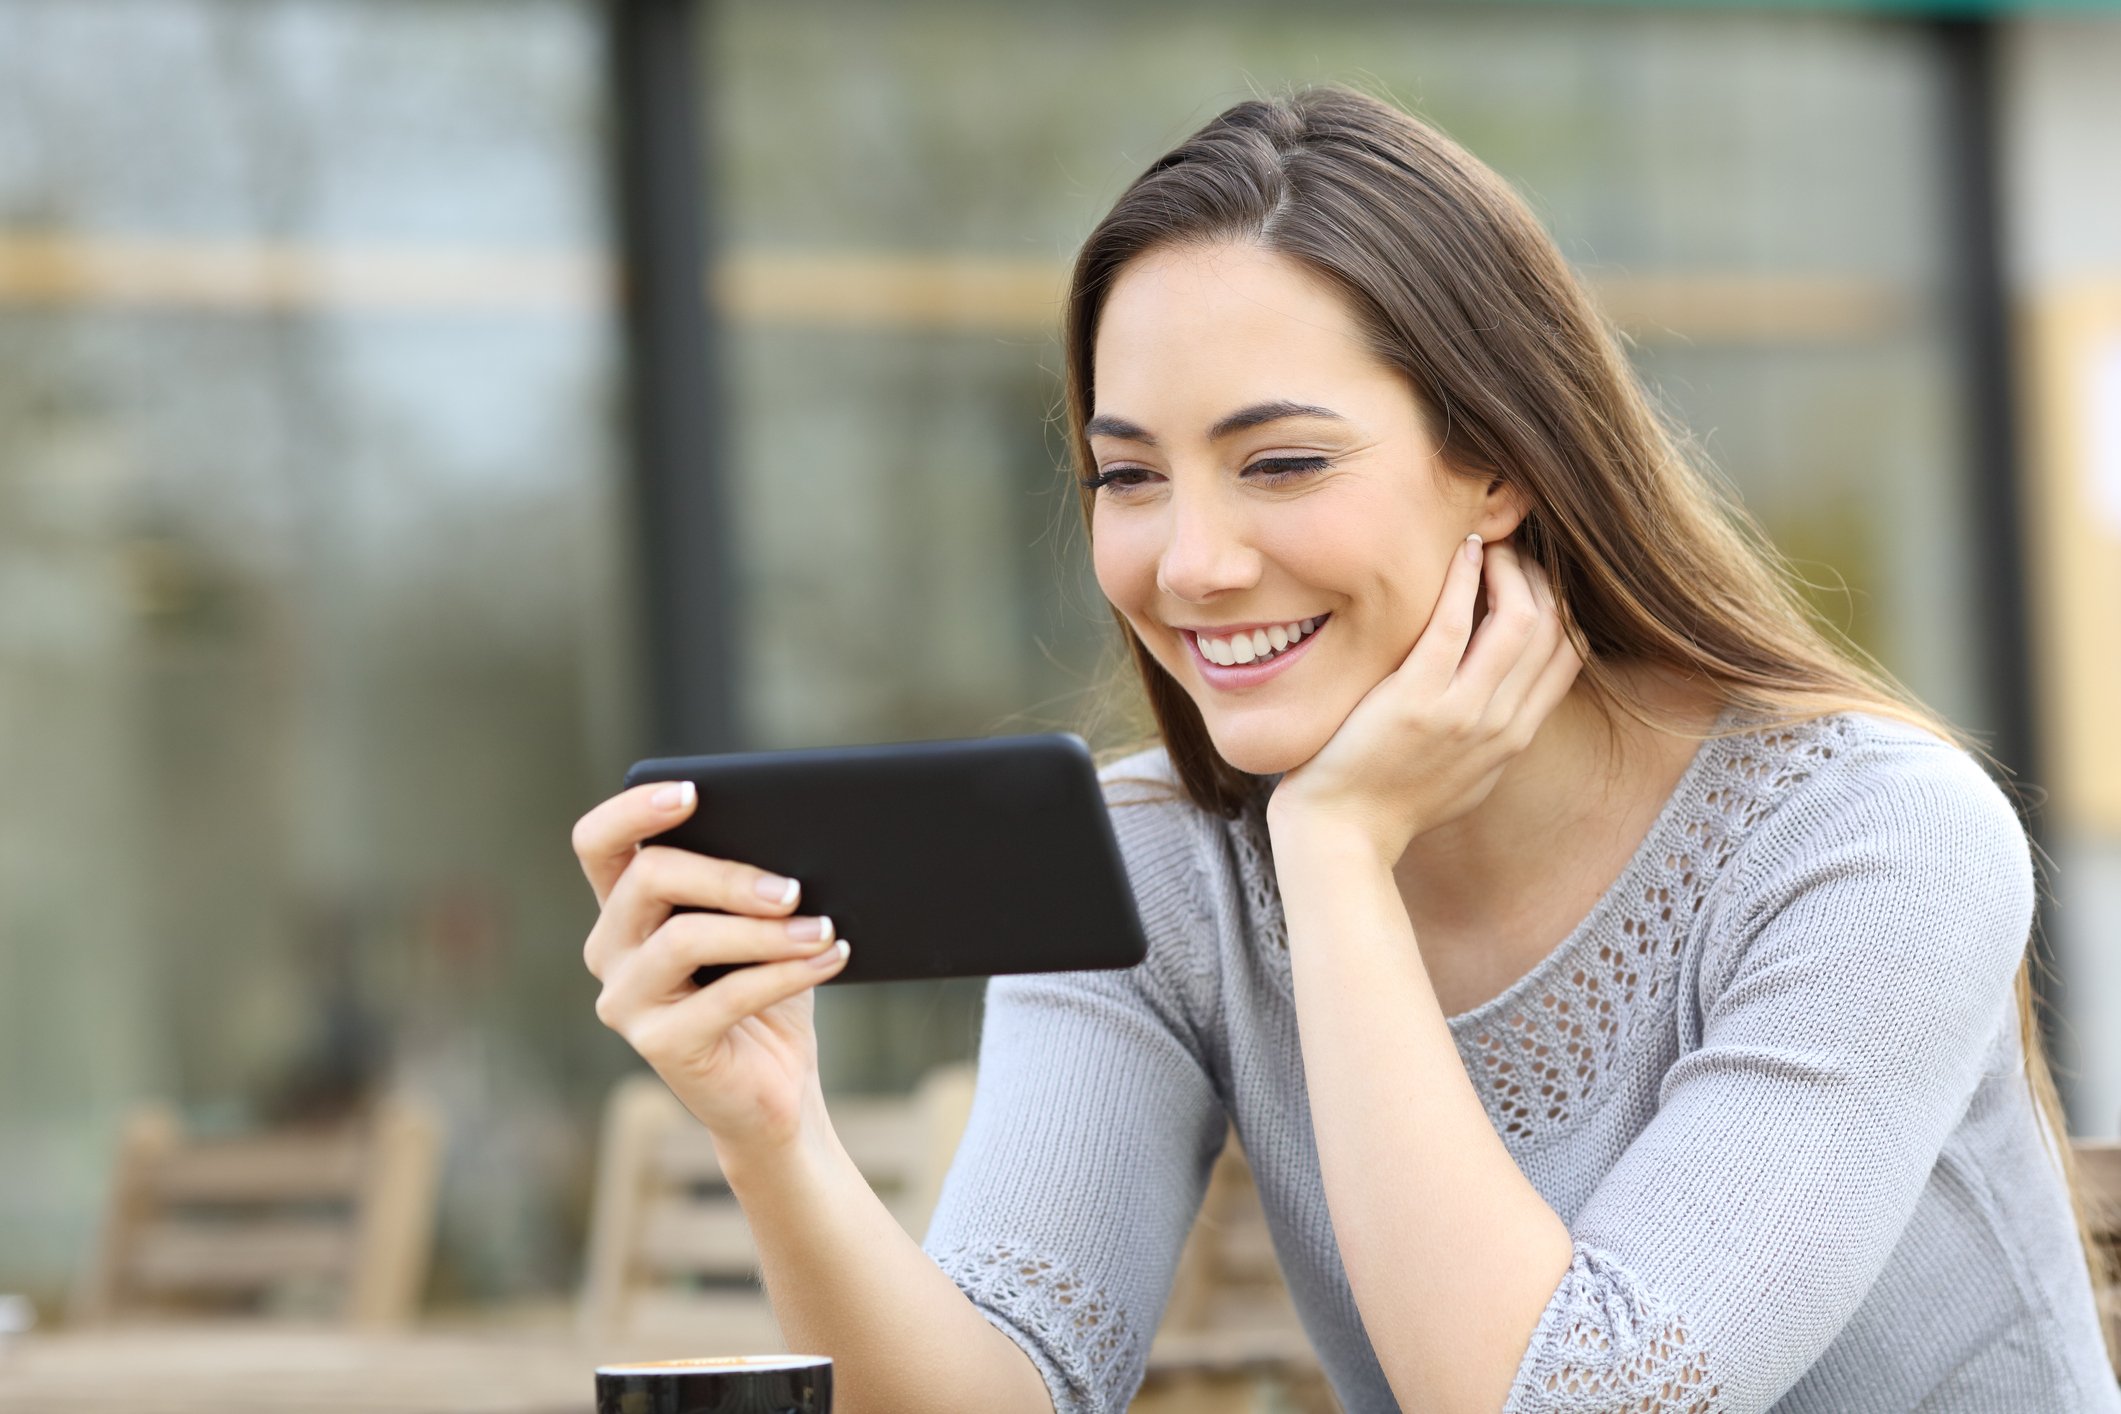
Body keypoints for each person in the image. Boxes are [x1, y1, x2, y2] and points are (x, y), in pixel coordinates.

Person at [572, 85, 2120, 1414]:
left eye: (1283, 462)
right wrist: (771, 1131)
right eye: (1130, 477)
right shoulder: (1156, 871)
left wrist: (1333, 851)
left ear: (1500, 463)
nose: (1189, 563)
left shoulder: (1868, 842)